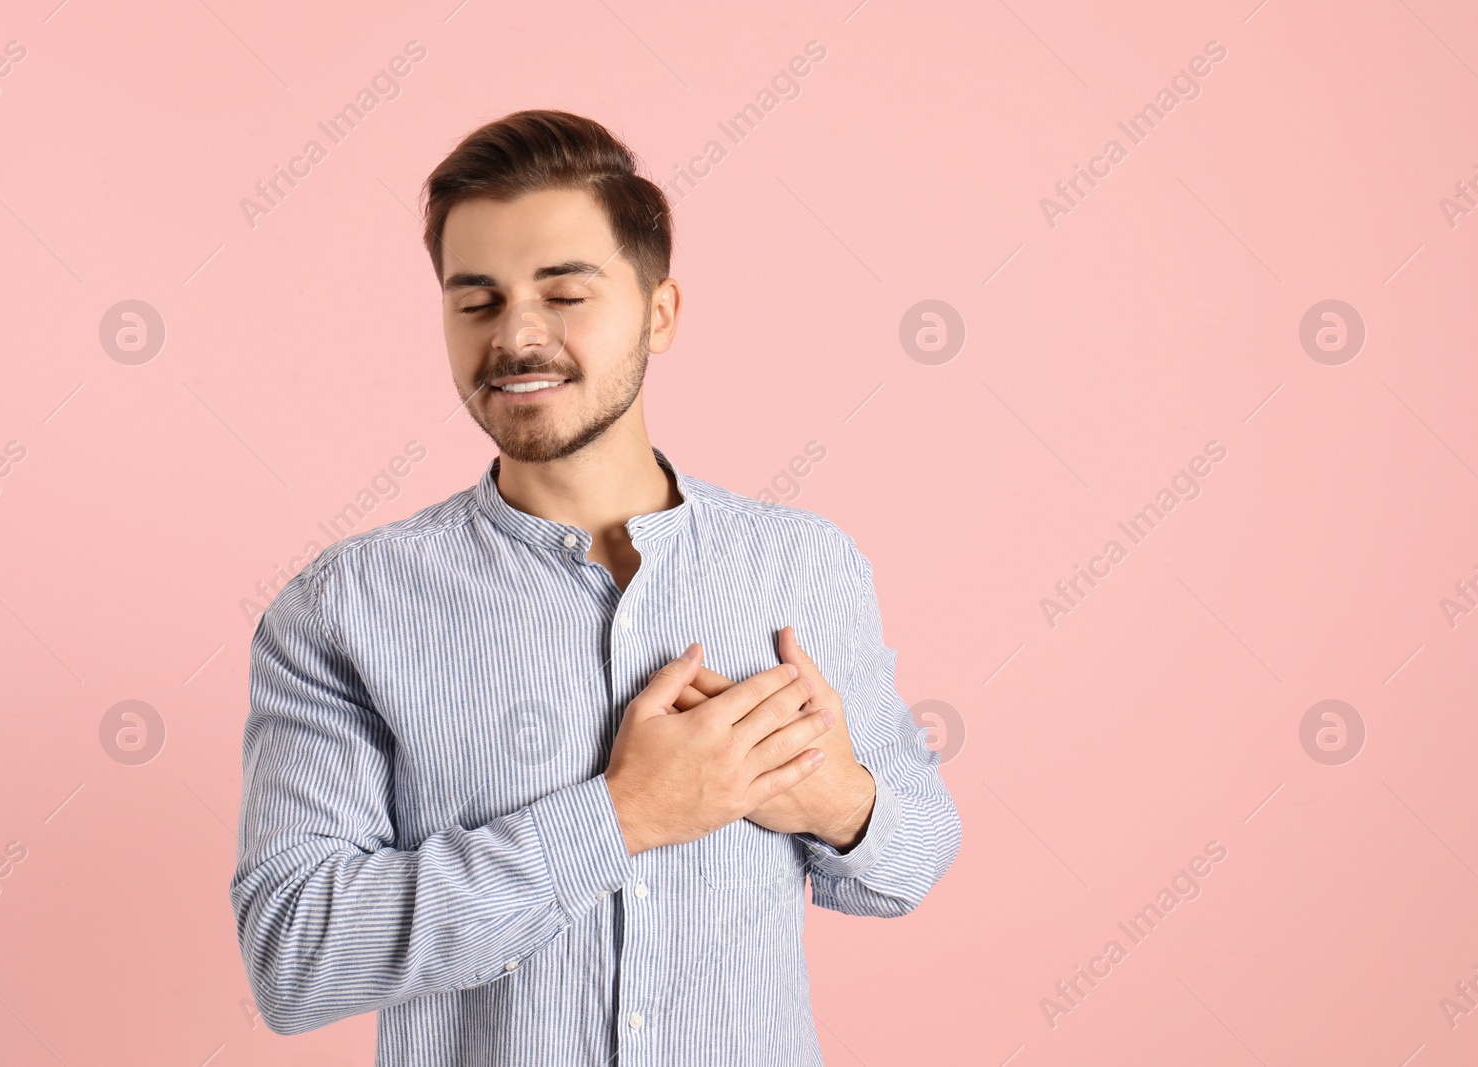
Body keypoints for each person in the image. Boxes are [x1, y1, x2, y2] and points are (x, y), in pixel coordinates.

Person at [229, 109, 961, 1066]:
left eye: (565, 293)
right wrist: (623, 817)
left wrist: (831, 797)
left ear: (659, 311)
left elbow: (908, 865)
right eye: (476, 301)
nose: (517, 337)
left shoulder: (805, 565)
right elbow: (294, 956)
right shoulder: (342, 609)